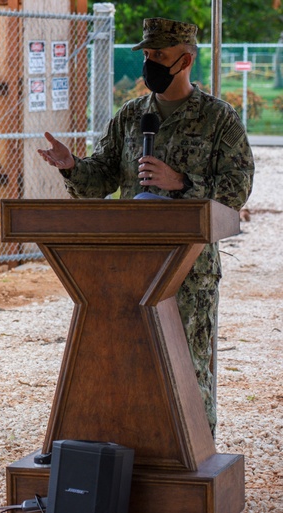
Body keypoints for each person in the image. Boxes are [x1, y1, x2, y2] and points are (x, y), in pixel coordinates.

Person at [37, 18, 255, 435]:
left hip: (188, 270)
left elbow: (237, 189)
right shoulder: (131, 115)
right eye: (147, 55)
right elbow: (101, 178)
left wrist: (182, 183)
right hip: (129, 264)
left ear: (186, 59)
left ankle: (195, 459)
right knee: (132, 362)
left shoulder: (218, 118)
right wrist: (72, 167)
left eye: (159, 55)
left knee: (187, 365)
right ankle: (137, 453)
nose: (150, 62)